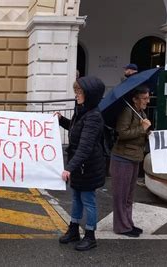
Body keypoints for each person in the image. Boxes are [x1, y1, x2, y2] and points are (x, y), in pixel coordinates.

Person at [55, 76, 106, 251]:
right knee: (76, 197)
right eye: (76, 91)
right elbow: (76, 129)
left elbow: (85, 147)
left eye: (79, 92)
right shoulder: (82, 111)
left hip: (88, 166)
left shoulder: (93, 117)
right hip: (79, 165)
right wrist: (62, 120)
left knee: (88, 200)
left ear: (89, 94)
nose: (76, 95)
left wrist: (69, 167)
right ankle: (74, 229)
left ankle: (90, 236)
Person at [110, 86, 151, 238]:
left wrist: (148, 132)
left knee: (128, 195)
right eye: (144, 98)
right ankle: (121, 227)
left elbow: (140, 132)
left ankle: (128, 223)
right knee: (121, 195)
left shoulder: (140, 112)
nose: (147, 101)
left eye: (148, 98)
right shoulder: (127, 112)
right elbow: (122, 133)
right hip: (122, 158)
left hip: (134, 157)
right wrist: (142, 129)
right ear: (135, 99)